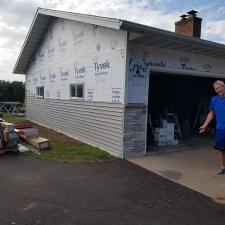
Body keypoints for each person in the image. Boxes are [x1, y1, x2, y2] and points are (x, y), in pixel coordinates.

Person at [199, 80, 225, 175]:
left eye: (219, 87)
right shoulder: (214, 99)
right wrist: (205, 125)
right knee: (221, 149)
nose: (218, 90)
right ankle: (223, 167)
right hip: (220, 129)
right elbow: (211, 113)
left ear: (224, 86)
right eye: (216, 89)